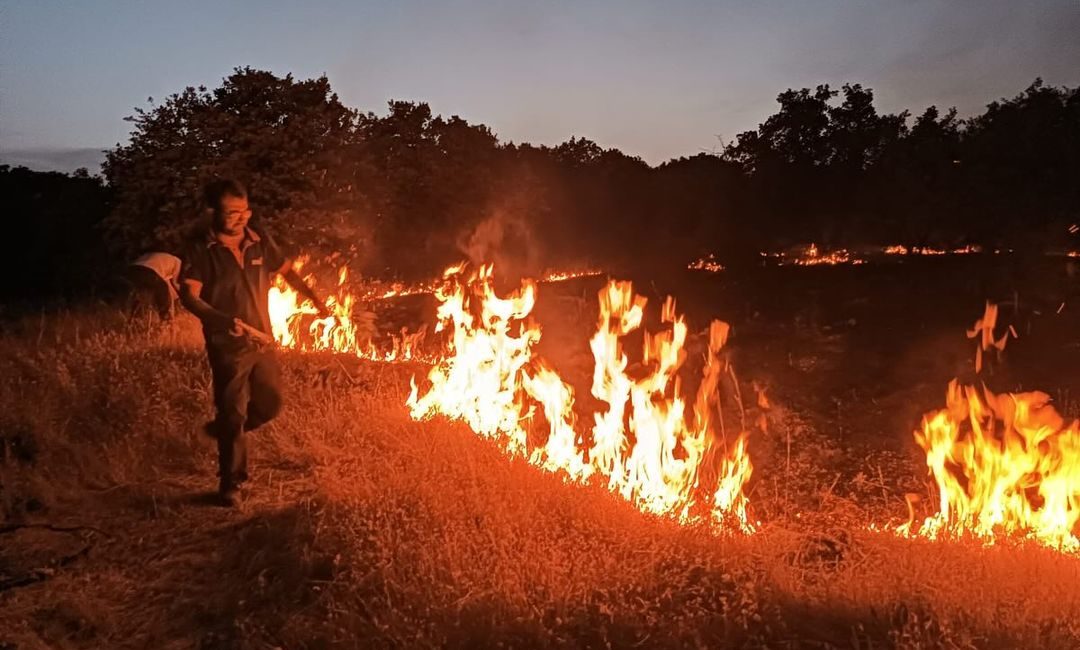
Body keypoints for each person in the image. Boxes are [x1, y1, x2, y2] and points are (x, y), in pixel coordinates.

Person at [179, 178, 328, 506]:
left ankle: (224, 430)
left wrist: (315, 299)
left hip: (262, 340)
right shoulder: (201, 250)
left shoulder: (258, 240)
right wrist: (223, 321)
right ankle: (231, 483)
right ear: (212, 211)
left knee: (271, 404)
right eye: (232, 212)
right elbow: (189, 298)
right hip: (227, 345)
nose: (241, 218)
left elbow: (288, 271)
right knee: (233, 412)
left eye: (245, 211)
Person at [127, 251, 181, 321]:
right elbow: (175, 284)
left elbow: (170, 291)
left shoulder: (165, 261)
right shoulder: (178, 262)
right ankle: (166, 323)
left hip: (132, 270)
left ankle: (135, 322)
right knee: (162, 290)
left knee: (140, 298)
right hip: (148, 271)